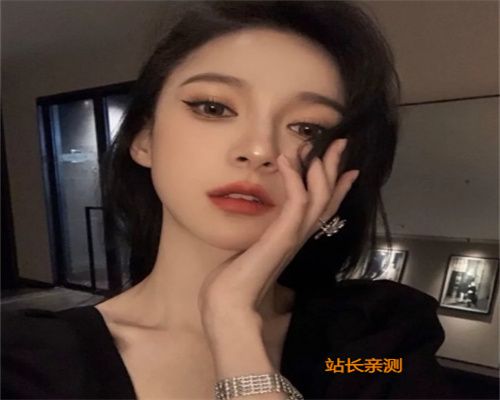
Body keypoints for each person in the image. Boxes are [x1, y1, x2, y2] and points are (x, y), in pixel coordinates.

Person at [1, 1, 456, 399]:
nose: (258, 150)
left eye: (307, 128)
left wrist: (233, 322)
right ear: (143, 138)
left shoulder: (369, 345)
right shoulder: (27, 365)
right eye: (213, 107)